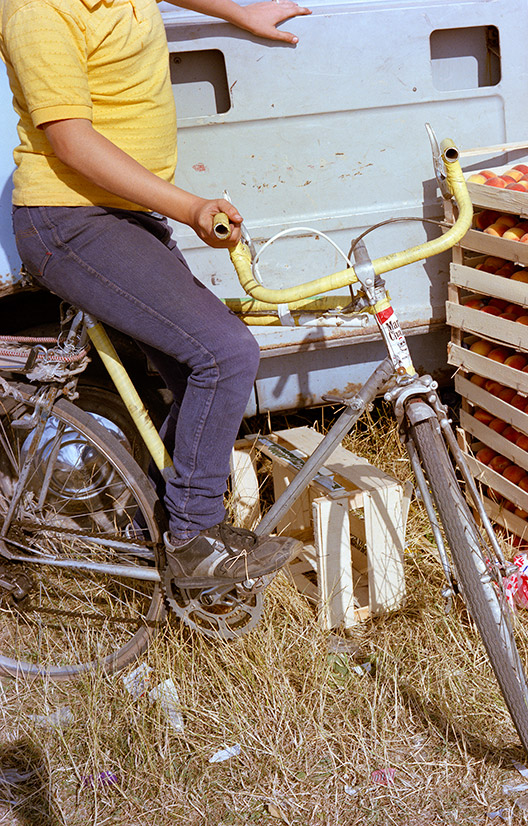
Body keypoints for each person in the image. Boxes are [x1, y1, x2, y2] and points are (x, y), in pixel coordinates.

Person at [0, 0, 310, 584]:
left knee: (190, 378)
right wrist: (190, 207)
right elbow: (69, 142)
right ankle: (194, 539)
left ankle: (155, 530)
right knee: (225, 353)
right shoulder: (38, 12)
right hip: (71, 220)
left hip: (118, 213)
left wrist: (241, 13)